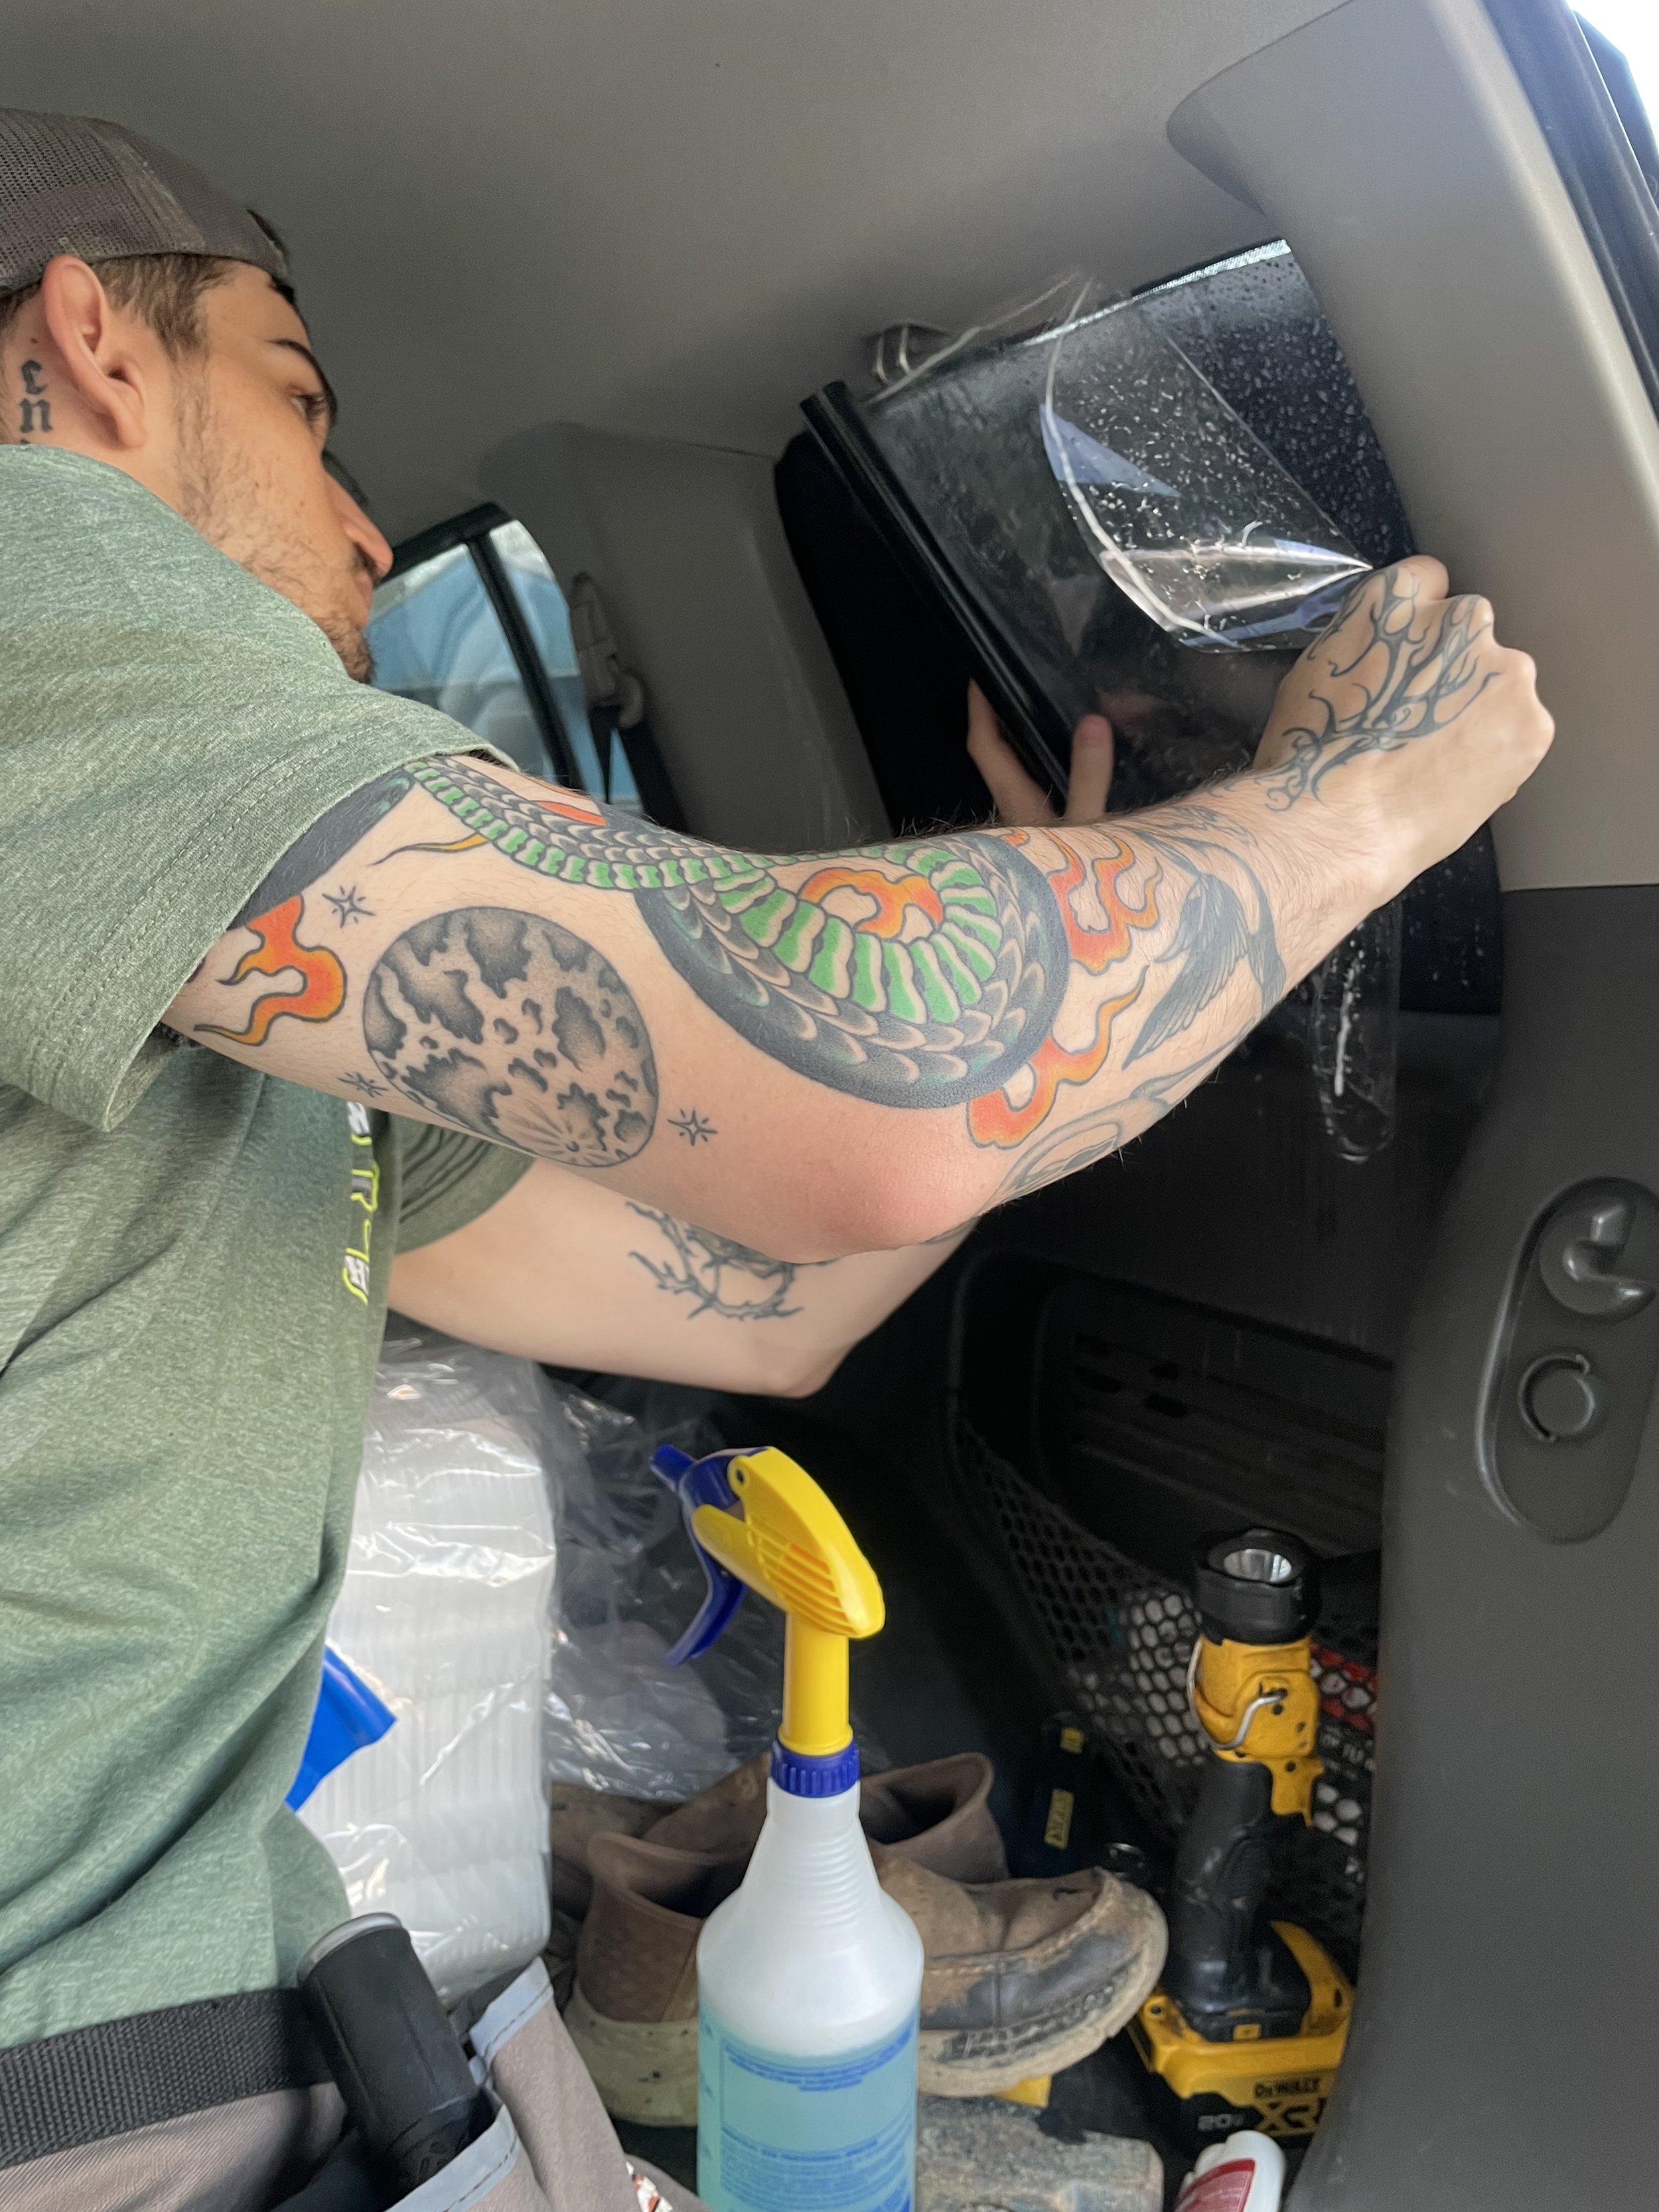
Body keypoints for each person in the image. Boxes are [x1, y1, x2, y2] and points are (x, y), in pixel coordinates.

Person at [0, 108, 1550, 2094]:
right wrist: (1358, 802)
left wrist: (1061, 1034)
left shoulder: (235, 1001)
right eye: (299, 403)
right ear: (96, 348)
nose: (373, 532)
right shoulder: (45, 562)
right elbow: (880, 1087)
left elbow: (781, 1281)